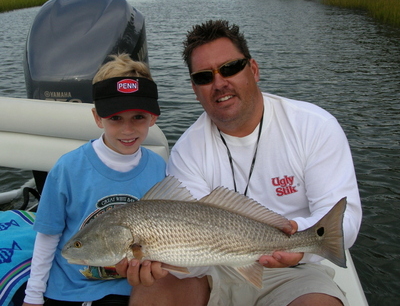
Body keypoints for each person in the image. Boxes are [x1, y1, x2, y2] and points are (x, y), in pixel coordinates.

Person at [117, 20, 362, 306]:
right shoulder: (187, 150)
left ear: (254, 70)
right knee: (151, 294)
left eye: (230, 68)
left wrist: (296, 242)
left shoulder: (314, 127)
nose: (219, 83)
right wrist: (160, 262)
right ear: (194, 88)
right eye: (204, 77)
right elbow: (191, 251)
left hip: (294, 270)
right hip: (211, 270)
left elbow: (343, 220)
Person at [22, 53, 166, 306]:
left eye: (138, 117)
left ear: (153, 117)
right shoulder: (67, 168)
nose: (128, 129)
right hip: (70, 289)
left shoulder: (160, 168)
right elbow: (48, 236)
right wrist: (33, 295)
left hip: (132, 289)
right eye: (115, 118)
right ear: (97, 117)